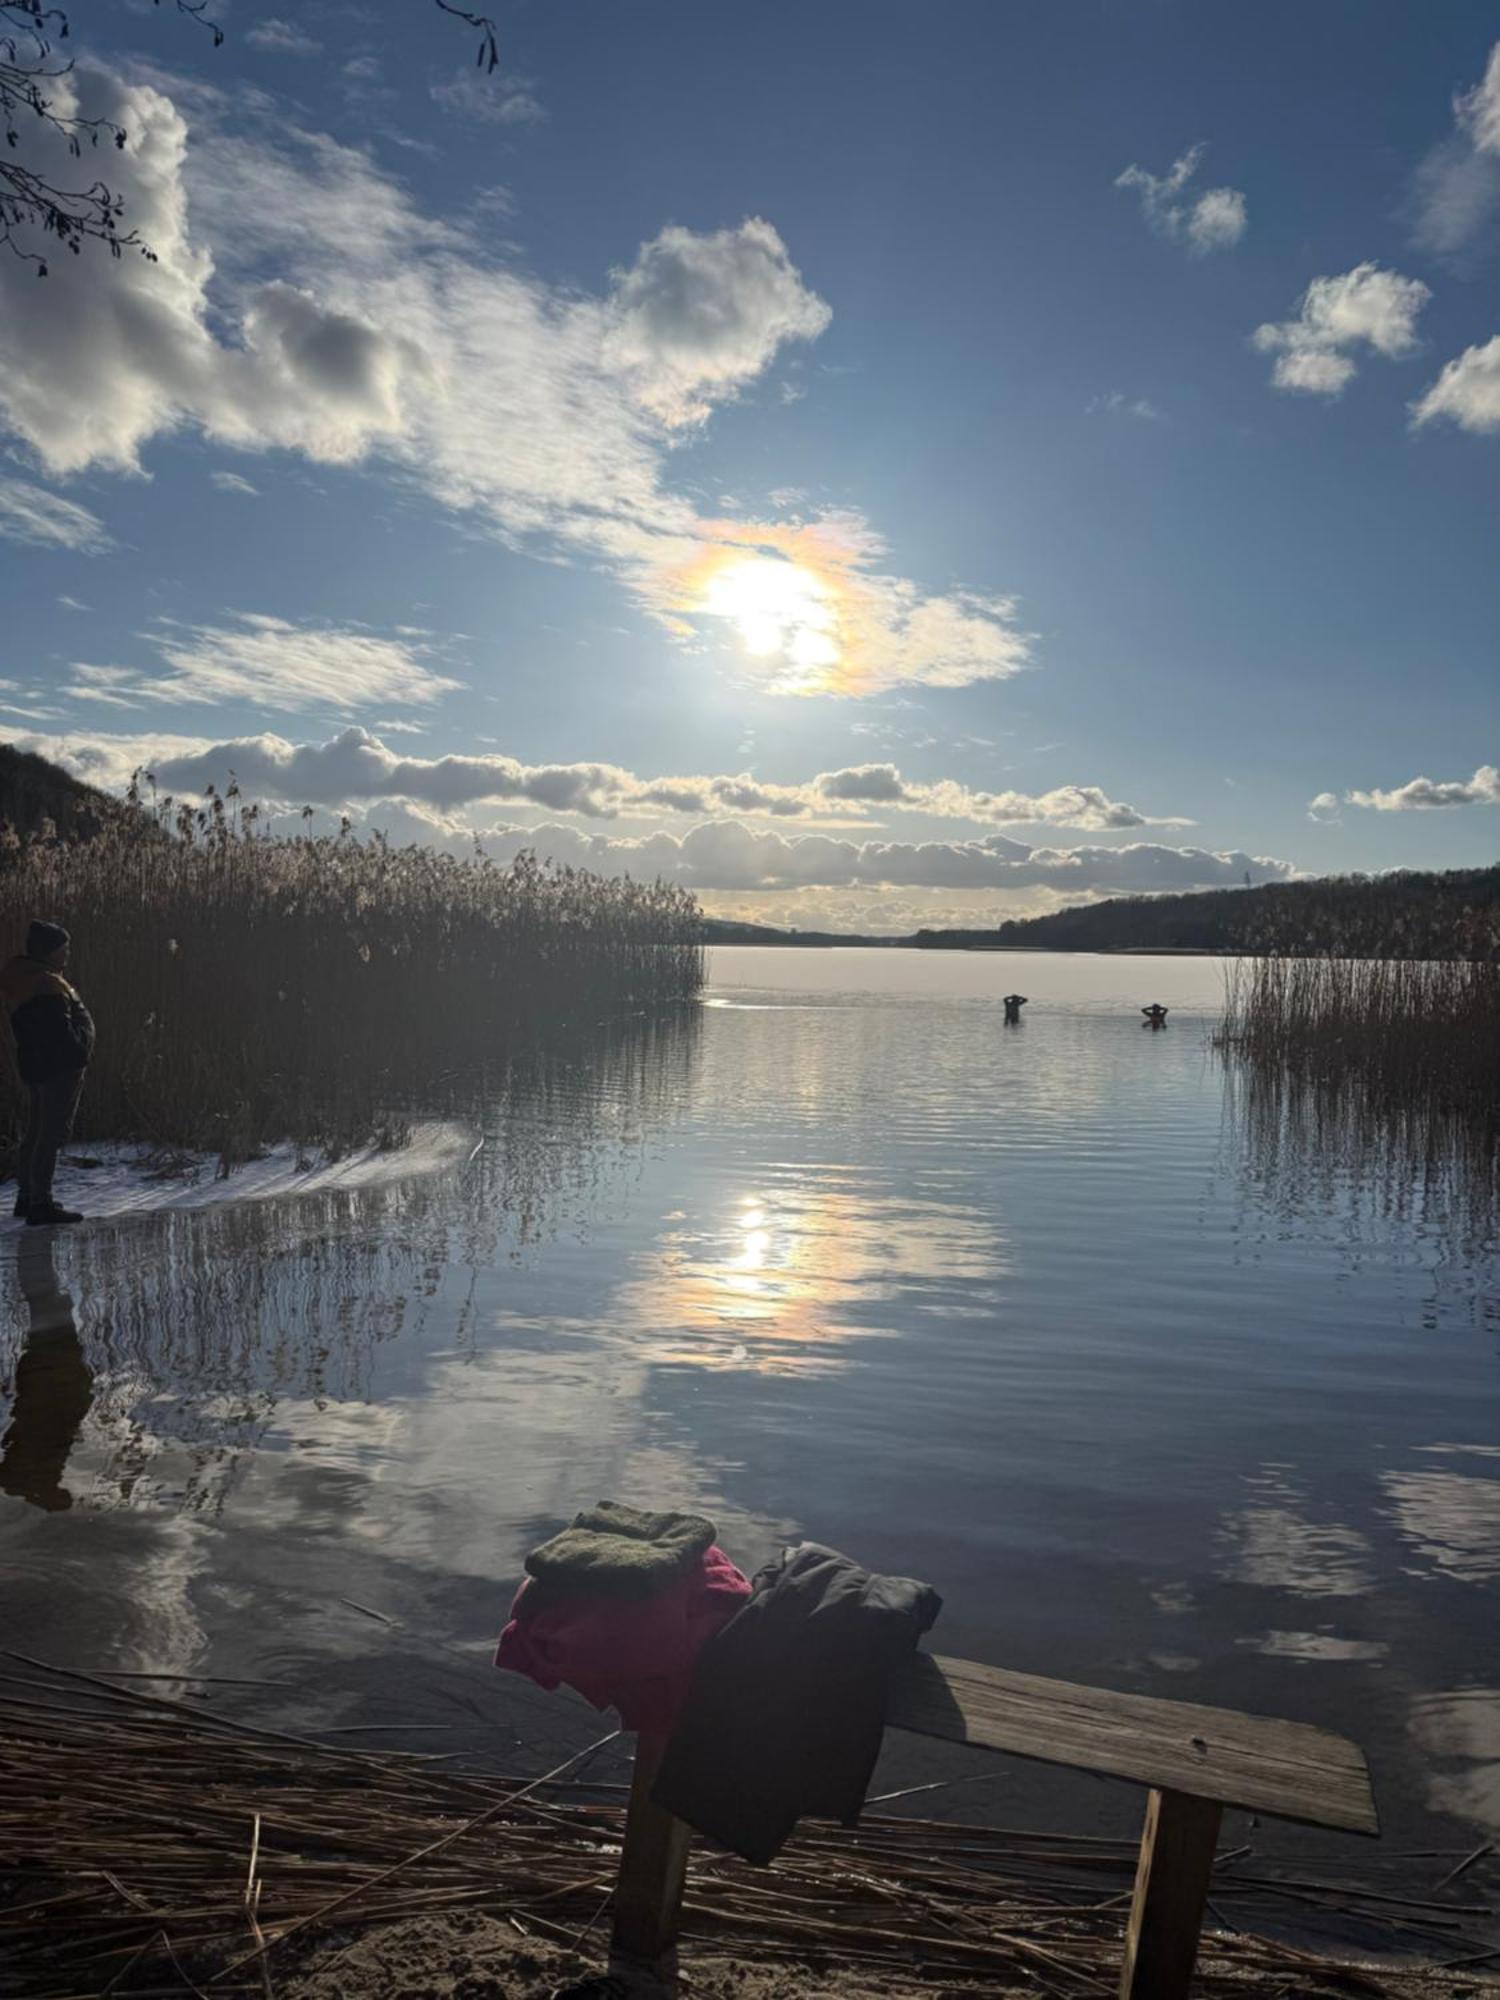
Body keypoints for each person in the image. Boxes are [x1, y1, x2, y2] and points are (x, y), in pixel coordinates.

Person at [1, 921, 94, 1226]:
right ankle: (40, 1202)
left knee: (37, 1130)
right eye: (63, 948)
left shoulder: (25, 977)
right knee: (49, 1134)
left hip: (38, 1065)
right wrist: (80, 1049)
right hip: (59, 1069)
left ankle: (27, 1197)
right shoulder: (44, 983)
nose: (67, 953)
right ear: (49, 951)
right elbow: (57, 1031)